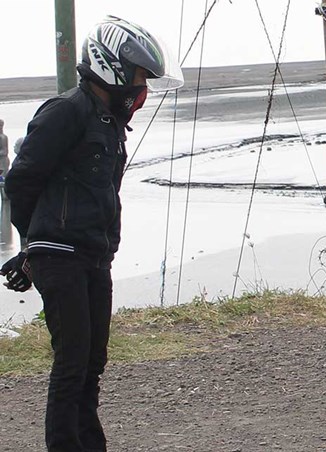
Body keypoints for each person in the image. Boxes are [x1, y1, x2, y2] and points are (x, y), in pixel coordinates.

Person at [0, 16, 183, 452]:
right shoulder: (67, 111)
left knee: (92, 362)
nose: (141, 88)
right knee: (71, 361)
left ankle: (88, 443)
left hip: (94, 257)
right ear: (112, 66)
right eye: (139, 76)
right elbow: (20, 182)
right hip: (59, 255)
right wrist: (35, 244)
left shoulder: (109, 122)